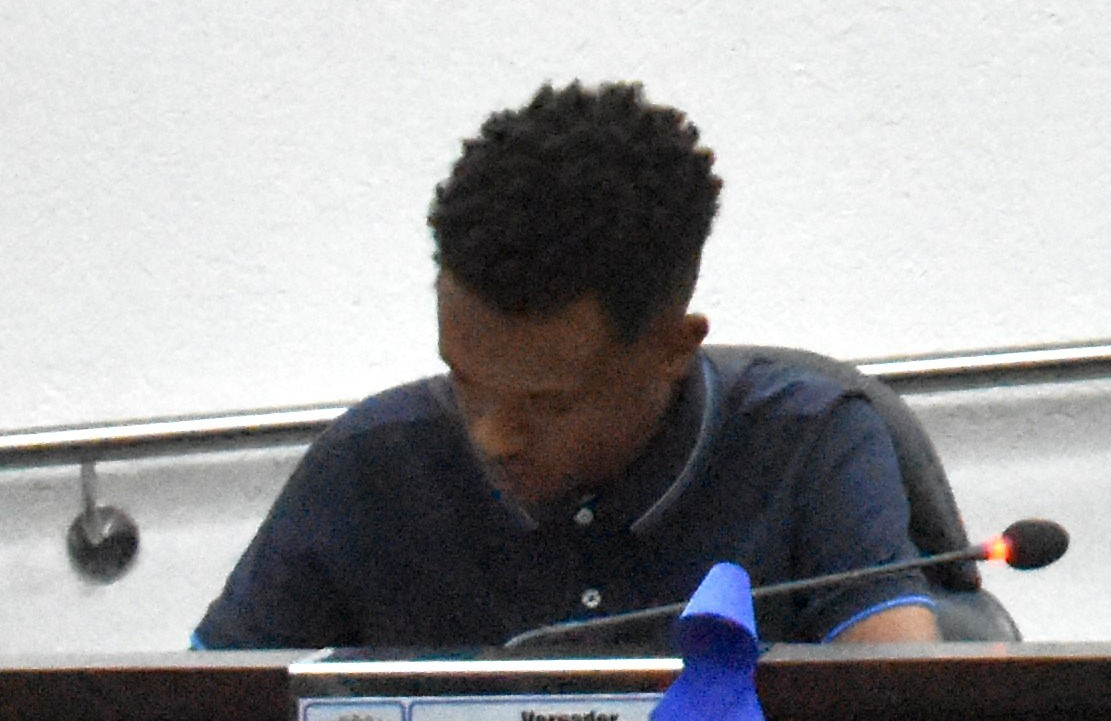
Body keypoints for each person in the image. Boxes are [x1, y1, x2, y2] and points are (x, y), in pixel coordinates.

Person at [197, 82, 948, 652]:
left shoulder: (810, 443)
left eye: (546, 405)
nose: (491, 437)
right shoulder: (370, 465)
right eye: (465, 383)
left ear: (673, 350)